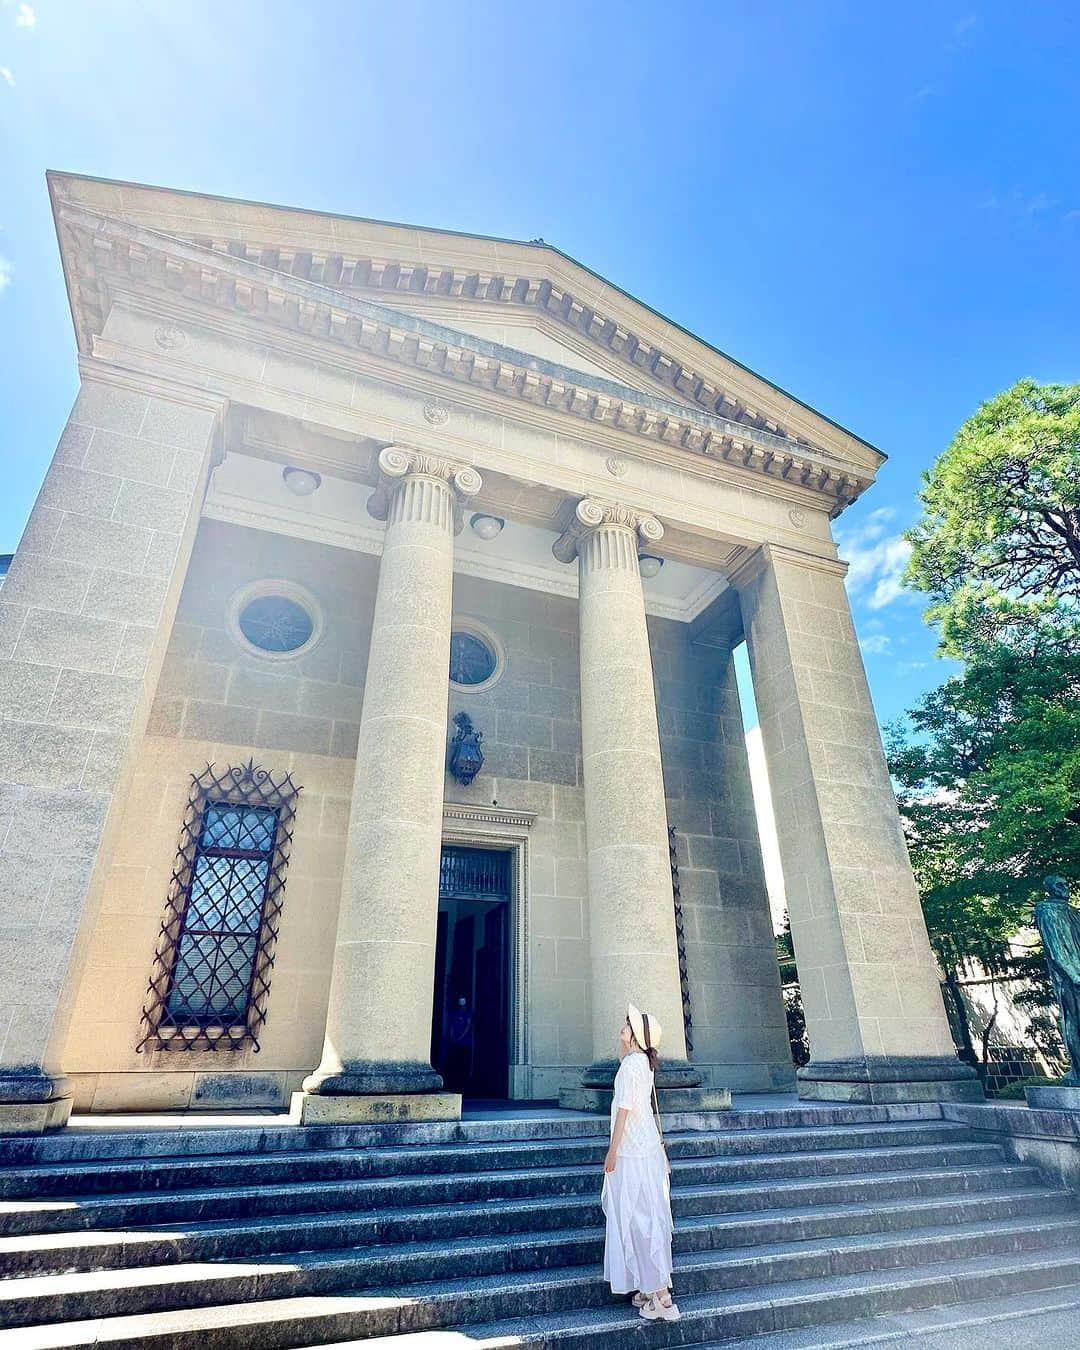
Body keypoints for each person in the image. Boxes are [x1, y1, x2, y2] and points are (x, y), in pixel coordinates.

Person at [601, 1002, 679, 1322]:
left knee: (639, 1219)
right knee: (646, 1216)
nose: (624, 1026)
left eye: (628, 1024)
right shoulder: (641, 1064)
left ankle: (661, 1296)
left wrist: (612, 1150)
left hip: (632, 1152)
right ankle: (650, 1287)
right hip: (645, 1149)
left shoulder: (632, 1065)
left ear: (636, 1036)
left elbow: (624, 1111)